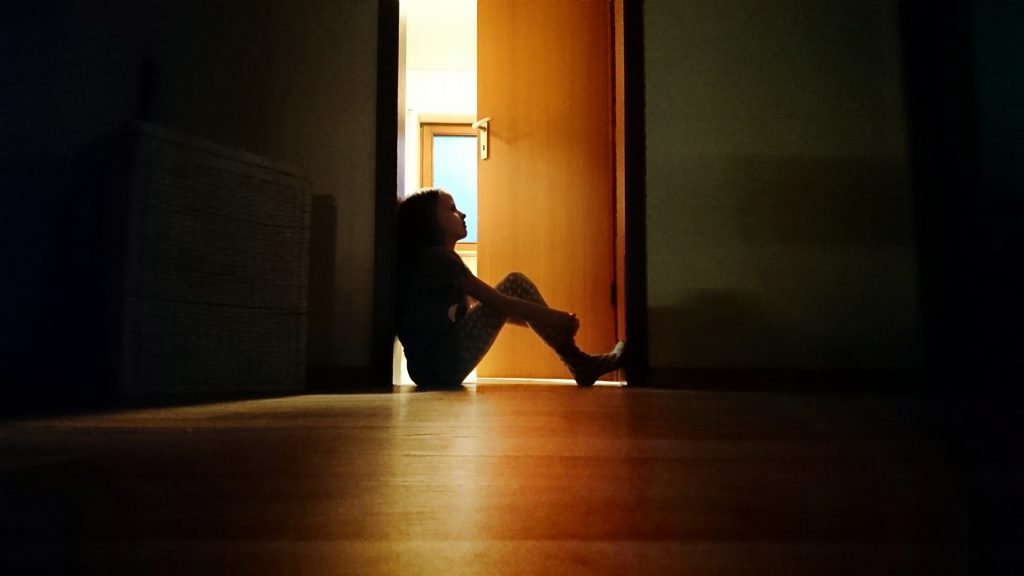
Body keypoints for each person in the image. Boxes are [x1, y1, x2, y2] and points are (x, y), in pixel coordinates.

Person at [395, 187, 625, 389]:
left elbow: (496, 309)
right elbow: (500, 303)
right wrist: (559, 318)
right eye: (453, 209)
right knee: (515, 284)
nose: (463, 214)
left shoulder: (436, 260)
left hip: (431, 369)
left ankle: (581, 363)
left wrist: (546, 322)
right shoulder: (438, 259)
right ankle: (580, 363)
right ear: (430, 221)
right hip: (440, 364)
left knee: (514, 287)